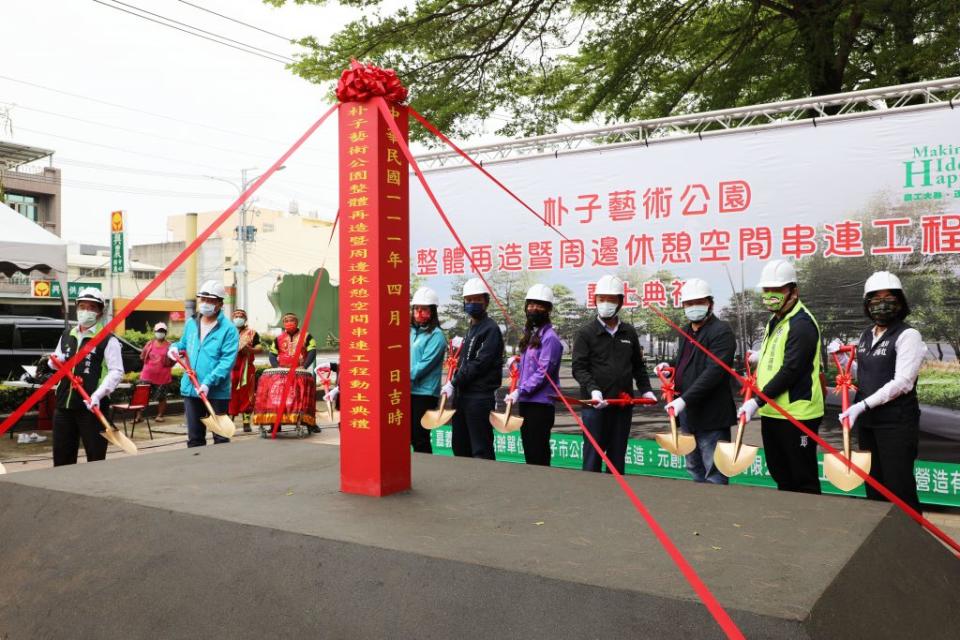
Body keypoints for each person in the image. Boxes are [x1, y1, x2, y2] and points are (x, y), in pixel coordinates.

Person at [831, 271, 925, 512]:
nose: (881, 304)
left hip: (896, 424)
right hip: (869, 424)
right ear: (867, 304)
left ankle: (912, 541)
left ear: (900, 302)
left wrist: (862, 405)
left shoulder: (908, 335)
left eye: (888, 297)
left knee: (899, 487)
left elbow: (902, 381)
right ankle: (881, 541)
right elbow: (863, 369)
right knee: (874, 486)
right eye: (875, 298)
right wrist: (843, 359)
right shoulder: (866, 335)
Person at [738, 259, 824, 494]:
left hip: (797, 414)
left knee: (802, 476)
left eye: (777, 290)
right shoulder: (775, 320)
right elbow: (776, 357)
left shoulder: (802, 324)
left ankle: (809, 522)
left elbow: (791, 370)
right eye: (767, 290)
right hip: (773, 411)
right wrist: (757, 357)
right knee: (781, 473)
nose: (770, 295)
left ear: (793, 291)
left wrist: (756, 401)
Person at [572, 274, 657, 474]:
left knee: (617, 458)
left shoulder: (629, 332)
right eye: (602, 299)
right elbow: (579, 368)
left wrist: (645, 390)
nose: (606, 304)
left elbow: (638, 366)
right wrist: (593, 390)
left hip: (622, 406)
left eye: (611, 299)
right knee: (593, 457)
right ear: (595, 301)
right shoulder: (586, 333)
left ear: (620, 302)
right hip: (595, 407)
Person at [655, 278, 736, 484]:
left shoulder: (721, 331)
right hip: (689, 417)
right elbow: (684, 363)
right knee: (694, 468)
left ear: (710, 303)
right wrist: (668, 368)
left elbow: (714, 372)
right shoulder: (687, 331)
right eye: (688, 304)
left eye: (698, 302)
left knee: (714, 472)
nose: (693, 308)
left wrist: (684, 400)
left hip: (712, 417)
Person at [48, 288, 124, 466]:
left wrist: (98, 395)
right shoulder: (68, 335)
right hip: (64, 405)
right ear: (77, 308)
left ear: (99, 312)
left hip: (91, 407)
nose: (86, 311)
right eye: (82, 306)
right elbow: (58, 358)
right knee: (62, 457)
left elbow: (116, 371)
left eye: (92, 308)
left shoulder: (108, 340)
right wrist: (54, 362)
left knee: (95, 456)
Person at [168, 280, 239, 447]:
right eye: (203, 299)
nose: (206, 304)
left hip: (216, 392)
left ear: (220, 303)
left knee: (221, 438)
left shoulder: (228, 329)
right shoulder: (192, 323)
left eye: (211, 300)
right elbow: (183, 344)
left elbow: (227, 361)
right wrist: (173, 348)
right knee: (195, 438)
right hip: (191, 389)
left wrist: (208, 382)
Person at [441, 278, 504, 459]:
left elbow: (479, 364)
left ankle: (485, 486)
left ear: (486, 301)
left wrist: (453, 382)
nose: (472, 304)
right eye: (468, 300)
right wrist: (455, 385)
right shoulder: (472, 328)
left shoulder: (490, 329)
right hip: (463, 396)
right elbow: (465, 362)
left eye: (477, 300)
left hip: (479, 398)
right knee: (460, 447)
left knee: (480, 450)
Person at [505, 284, 563, 466]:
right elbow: (530, 366)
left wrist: (520, 391)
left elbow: (543, 373)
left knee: (538, 451)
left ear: (548, 309)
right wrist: (517, 362)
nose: (533, 309)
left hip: (541, 404)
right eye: (530, 305)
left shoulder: (550, 338)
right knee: (529, 450)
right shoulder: (531, 335)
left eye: (539, 305)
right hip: (527, 402)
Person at [409, 286, 447, 454]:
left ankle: (426, 468)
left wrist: (398, 377)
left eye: (424, 309)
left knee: (420, 437)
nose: (419, 312)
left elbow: (423, 366)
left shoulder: (436, 336)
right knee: (408, 435)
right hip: (407, 390)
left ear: (432, 311)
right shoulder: (410, 332)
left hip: (424, 393)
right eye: (416, 308)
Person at [229, 309, 261, 432]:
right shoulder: (227, 332)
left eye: (241, 316)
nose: (238, 318)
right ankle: (229, 421)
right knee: (230, 394)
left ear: (245, 319)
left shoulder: (252, 333)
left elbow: (260, 347)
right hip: (230, 368)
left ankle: (246, 422)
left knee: (247, 394)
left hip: (247, 368)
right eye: (236, 316)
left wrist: (250, 350)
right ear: (232, 318)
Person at [136, 322, 174, 423]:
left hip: (163, 376)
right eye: (158, 331)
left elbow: (174, 359)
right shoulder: (149, 344)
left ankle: (160, 415)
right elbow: (142, 356)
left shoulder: (170, 345)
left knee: (161, 397)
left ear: (165, 332)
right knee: (142, 395)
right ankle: (139, 416)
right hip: (147, 375)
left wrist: (169, 365)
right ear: (154, 332)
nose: (160, 333)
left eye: (162, 331)